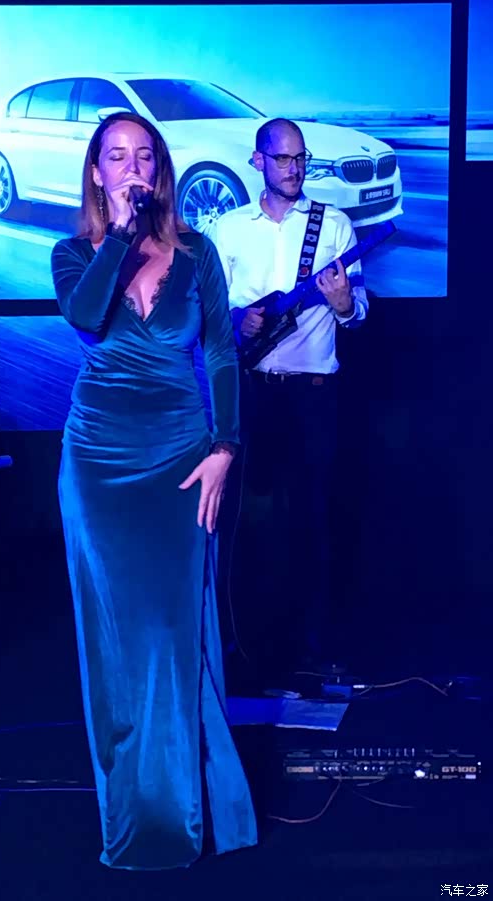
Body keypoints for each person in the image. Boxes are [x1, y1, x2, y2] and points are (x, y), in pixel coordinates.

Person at [51, 111, 257, 870]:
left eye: (144, 155)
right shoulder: (73, 253)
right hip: (98, 461)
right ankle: (135, 810)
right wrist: (119, 234)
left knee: (175, 632)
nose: (132, 166)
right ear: (97, 172)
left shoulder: (197, 252)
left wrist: (226, 446)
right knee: (114, 636)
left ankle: (194, 806)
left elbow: (222, 352)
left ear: (160, 170)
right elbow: (85, 313)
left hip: (180, 454)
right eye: (116, 156)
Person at [209, 117, 368, 681]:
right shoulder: (228, 229)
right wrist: (238, 321)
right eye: (283, 159)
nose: (294, 168)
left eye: (301, 159)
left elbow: (358, 313)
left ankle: (312, 649)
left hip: (313, 396)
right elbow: (208, 315)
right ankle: (240, 644)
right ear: (258, 162)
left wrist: (345, 303)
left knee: (311, 522)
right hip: (252, 392)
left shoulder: (335, 225)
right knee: (245, 522)